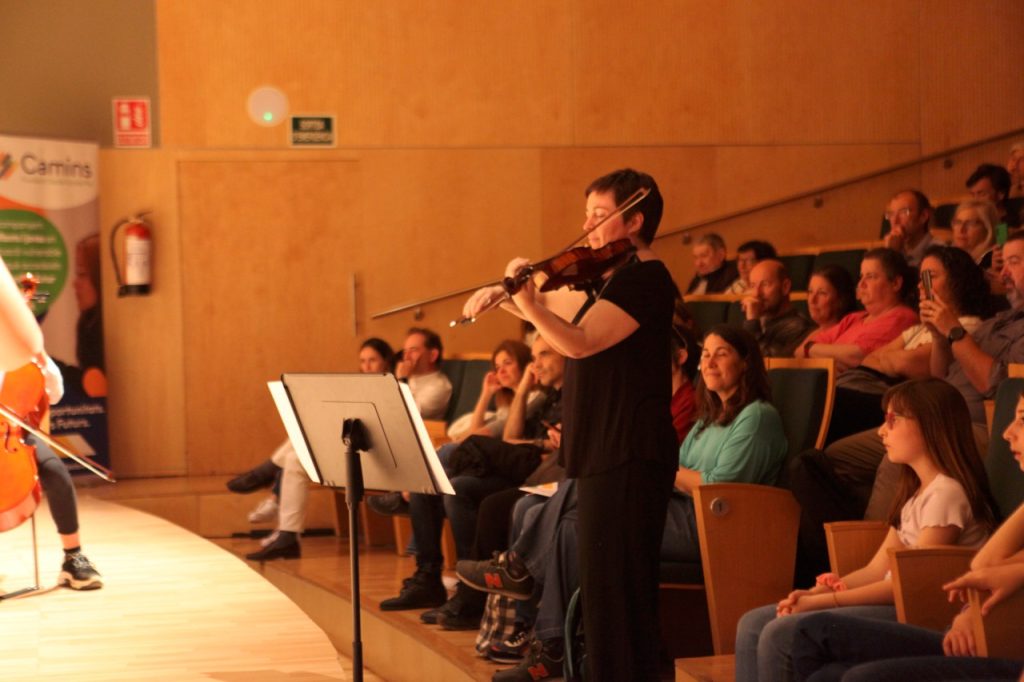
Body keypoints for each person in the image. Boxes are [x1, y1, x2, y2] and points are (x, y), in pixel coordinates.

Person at [457, 326, 786, 680]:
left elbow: (716, 486)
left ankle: (522, 572)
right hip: (677, 508)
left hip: (712, 526)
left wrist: (670, 468)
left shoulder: (757, 416)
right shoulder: (708, 417)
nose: (709, 361)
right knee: (575, 521)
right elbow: (678, 470)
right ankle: (553, 646)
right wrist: (671, 469)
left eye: (720, 353)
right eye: (705, 353)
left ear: (746, 363)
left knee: (593, 488)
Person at [460, 168, 678, 681]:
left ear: (635, 219)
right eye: (587, 215)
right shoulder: (605, 278)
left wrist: (528, 303)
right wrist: (507, 289)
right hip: (603, 450)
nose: (588, 228)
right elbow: (558, 321)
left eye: (600, 216)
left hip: (629, 450)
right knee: (602, 593)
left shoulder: (646, 278)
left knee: (619, 597)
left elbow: (580, 342)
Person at [735, 378, 998, 682]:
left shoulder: (948, 494)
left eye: (892, 420)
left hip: (922, 610)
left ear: (930, 424)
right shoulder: (917, 494)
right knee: (752, 623)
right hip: (896, 599)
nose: (881, 431)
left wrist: (821, 602)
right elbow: (877, 569)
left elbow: (911, 586)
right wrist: (823, 589)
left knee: (781, 631)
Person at [377, 335, 564, 629]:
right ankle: (429, 578)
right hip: (518, 466)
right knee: (447, 486)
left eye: (543, 356)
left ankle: (469, 590)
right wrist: (517, 391)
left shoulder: (560, 395)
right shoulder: (541, 396)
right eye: (534, 357)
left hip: (534, 475)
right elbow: (509, 436)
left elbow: (508, 440)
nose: (536, 364)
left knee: (453, 467)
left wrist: (536, 440)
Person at [227, 337, 397, 561]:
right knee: (296, 453)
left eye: (372, 360)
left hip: (380, 458)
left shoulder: (399, 386)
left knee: (297, 454)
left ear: (386, 362)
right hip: (353, 450)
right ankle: (287, 536)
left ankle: (266, 473)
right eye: (363, 361)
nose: (366, 367)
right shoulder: (360, 388)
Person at [0, 258, 102, 590]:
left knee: (55, 470)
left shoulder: (25, 350)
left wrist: (41, 362)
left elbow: (55, 395)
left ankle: (74, 558)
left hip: (12, 434)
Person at [824, 245, 991, 443]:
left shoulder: (966, 327)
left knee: (824, 403)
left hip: (893, 398)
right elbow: (871, 358)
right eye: (921, 279)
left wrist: (896, 359)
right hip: (865, 383)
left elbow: (917, 366)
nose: (921, 286)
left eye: (931, 278)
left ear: (957, 281)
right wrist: (897, 360)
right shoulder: (920, 328)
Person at [794, 248, 919, 373]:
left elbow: (856, 356)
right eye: (861, 276)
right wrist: (816, 350)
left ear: (896, 283)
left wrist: (812, 349)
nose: (861, 284)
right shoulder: (854, 318)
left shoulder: (902, 317)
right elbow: (800, 352)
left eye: (870, 277)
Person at [446, 339, 532, 441]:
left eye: (507, 363)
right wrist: (486, 393)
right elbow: (475, 429)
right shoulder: (506, 401)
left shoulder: (534, 397)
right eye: (497, 367)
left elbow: (478, 436)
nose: (501, 371)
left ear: (524, 364)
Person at [741, 259, 815, 358]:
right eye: (753, 286)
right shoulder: (760, 321)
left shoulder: (799, 327)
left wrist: (751, 322)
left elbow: (763, 365)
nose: (756, 293)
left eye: (765, 284)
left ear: (785, 287)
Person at [803, 265, 857, 342]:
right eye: (810, 291)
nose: (812, 300)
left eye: (822, 293)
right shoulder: (813, 334)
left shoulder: (848, 337)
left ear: (841, 299)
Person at [882, 189, 936, 267]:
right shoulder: (897, 248)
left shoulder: (938, 252)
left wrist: (892, 255)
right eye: (891, 214)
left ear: (923, 216)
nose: (895, 221)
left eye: (903, 212)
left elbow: (922, 279)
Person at [966, 163, 1018, 228]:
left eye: (982, 194)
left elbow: (1001, 238)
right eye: (972, 194)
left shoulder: (1005, 224)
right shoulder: (969, 216)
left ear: (1000, 195)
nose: (975, 200)